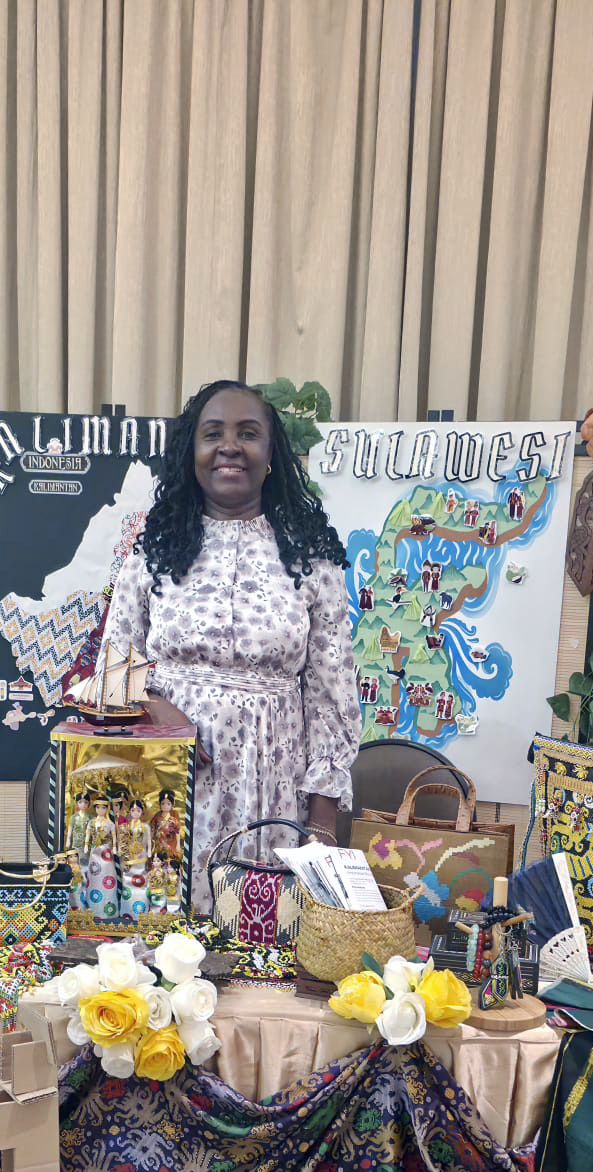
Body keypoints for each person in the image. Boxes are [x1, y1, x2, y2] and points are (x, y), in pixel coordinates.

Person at [100, 379, 359, 913]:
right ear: (190, 453)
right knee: (165, 939)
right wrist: (159, 709)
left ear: (272, 454)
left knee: (262, 937)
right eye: (213, 433)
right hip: (169, 782)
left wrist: (322, 825)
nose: (230, 447)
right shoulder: (153, 554)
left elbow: (331, 695)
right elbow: (113, 672)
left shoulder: (311, 559)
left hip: (274, 788)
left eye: (248, 434)